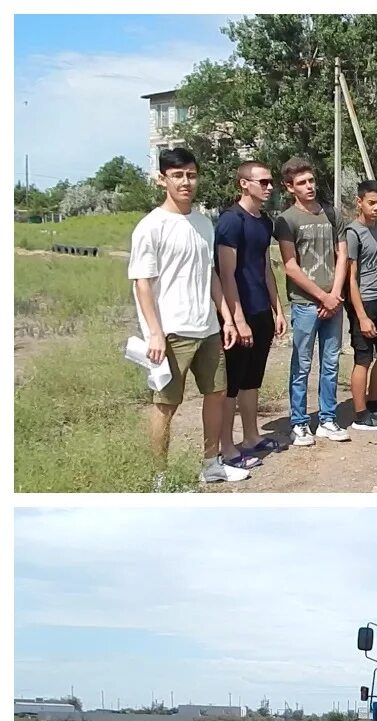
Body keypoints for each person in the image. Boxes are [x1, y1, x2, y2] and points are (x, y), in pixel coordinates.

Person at [128, 147, 248, 487]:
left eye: (191, 175)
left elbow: (209, 274)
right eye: (178, 175)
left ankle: (211, 463)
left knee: (217, 395)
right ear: (162, 179)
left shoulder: (202, 222)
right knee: (166, 405)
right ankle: (159, 476)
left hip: (207, 328)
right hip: (172, 332)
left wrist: (225, 316)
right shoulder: (151, 226)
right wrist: (154, 332)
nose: (186, 182)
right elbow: (142, 284)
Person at [214, 160, 287, 470]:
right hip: (237, 315)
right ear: (244, 184)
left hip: (261, 313)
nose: (269, 187)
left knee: (252, 380)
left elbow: (265, 267)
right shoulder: (231, 221)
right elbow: (226, 274)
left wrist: (278, 309)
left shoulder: (264, 221)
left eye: (270, 182)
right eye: (264, 182)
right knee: (232, 383)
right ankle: (228, 449)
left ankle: (251, 437)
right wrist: (238, 318)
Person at [274, 157, 350, 447]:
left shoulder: (331, 214)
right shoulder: (286, 220)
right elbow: (290, 266)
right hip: (306, 304)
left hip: (334, 303)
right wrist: (323, 296)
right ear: (289, 187)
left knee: (331, 362)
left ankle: (328, 419)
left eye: (311, 181)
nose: (309, 187)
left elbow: (342, 255)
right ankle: (299, 423)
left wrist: (335, 295)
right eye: (302, 183)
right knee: (302, 364)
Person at [345, 179, 377, 432]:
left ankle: (373, 399)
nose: (376, 208)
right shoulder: (352, 233)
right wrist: (361, 316)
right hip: (363, 302)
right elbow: (351, 279)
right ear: (360, 202)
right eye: (371, 203)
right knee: (363, 359)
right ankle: (360, 414)